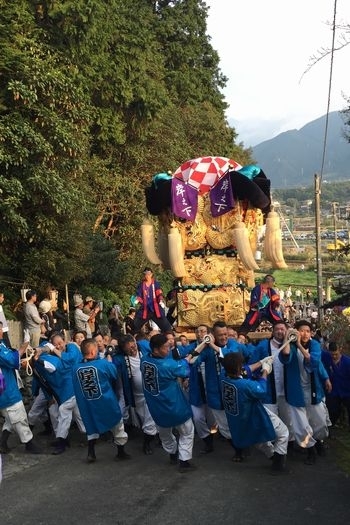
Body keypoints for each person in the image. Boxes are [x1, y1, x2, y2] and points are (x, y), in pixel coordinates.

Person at [222, 352, 289, 472]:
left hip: (241, 421)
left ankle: (273, 456)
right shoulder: (244, 385)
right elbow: (261, 390)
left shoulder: (224, 378)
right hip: (254, 416)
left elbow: (245, 370)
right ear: (238, 367)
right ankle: (278, 466)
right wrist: (265, 371)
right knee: (283, 433)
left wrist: (261, 362)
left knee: (258, 439)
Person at [140, 333, 197, 472]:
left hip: (156, 408)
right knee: (187, 431)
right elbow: (184, 370)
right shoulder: (167, 365)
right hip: (175, 406)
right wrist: (188, 359)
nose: (169, 349)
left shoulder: (145, 361)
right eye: (166, 347)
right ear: (156, 349)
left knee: (164, 434)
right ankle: (184, 461)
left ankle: (172, 454)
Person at [279, 320, 329, 464]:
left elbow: (314, 362)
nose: (305, 334)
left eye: (308, 331)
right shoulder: (291, 345)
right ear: (296, 331)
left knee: (319, 420)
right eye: (301, 330)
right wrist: (288, 338)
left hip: (313, 389)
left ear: (311, 333)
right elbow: (286, 357)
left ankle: (319, 441)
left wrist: (300, 345)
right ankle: (310, 450)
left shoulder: (314, 345)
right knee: (301, 424)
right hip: (296, 391)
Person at [72, 338, 130, 463]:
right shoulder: (103, 364)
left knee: (91, 428)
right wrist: (109, 360)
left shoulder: (75, 368)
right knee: (118, 425)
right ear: (93, 352)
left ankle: (91, 453)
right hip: (106, 402)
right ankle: (121, 452)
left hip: (87, 405)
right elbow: (114, 373)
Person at [33, 333, 86, 455]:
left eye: (60, 343)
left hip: (73, 389)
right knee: (80, 417)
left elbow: (69, 360)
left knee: (64, 413)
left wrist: (42, 357)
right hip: (67, 392)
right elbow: (44, 381)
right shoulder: (54, 358)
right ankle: (92, 436)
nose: (58, 346)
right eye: (55, 345)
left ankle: (62, 442)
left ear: (65, 341)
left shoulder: (71, 348)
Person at [249, 321, 294, 444]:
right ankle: (274, 446)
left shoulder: (291, 345)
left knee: (288, 419)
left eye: (282, 329)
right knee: (271, 421)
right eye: (277, 329)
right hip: (269, 391)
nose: (280, 331)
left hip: (286, 390)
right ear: (273, 331)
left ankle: (288, 445)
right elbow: (252, 364)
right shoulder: (263, 346)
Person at [0, 323, 41, 454]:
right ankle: (29, 443)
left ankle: (2, 443)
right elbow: (12, 359)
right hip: (6, 390)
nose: (2, 330)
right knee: (19, 416)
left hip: (7, 386)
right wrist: (26, 343)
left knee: (10, 418)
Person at [112, 334, 157, 455]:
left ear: (135, 341)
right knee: (143, 418)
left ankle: (147, 443)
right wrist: (108, 353)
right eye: (129, 349)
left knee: (151, 418)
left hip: (152, 392)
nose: (133, 350)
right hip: (136, 394)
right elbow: (111, 368)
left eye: (133, 346)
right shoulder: (120, 359)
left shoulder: (144, 346)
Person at [322, 341, 350, 430]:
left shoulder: (347, 362)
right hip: (333, 392)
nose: (334, 356)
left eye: (336, 354)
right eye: (332, 354)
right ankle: (328, 430)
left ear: (340, 350)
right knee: (333, 412)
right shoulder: (326, 357)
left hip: (347, 391)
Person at [134, 268, 172, 333]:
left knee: (167, 327)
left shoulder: (156, 284)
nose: (147, 275)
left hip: (155, 309)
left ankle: (169, 336)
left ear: (151, 274)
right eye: (145, 274)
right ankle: (134, 337)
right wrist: (137, 300)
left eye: (148, 274)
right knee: (135, 326)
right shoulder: (141, 285)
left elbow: (159, 293)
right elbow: (139, 294)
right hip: (145, 309)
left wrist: (160, 300)